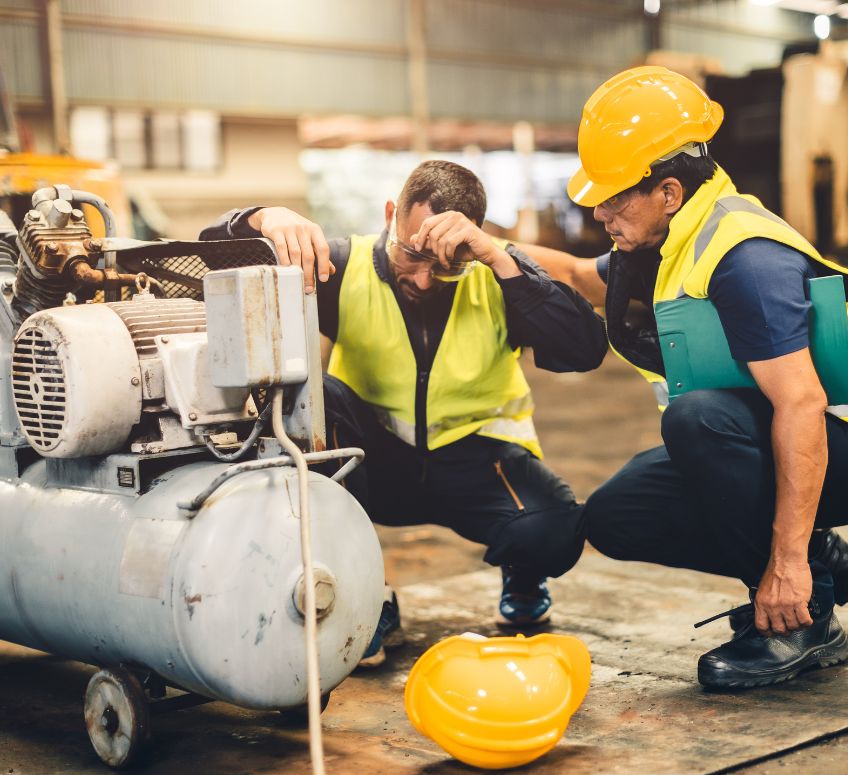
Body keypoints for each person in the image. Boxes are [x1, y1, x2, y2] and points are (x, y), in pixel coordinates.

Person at [561, 66, 848, 689]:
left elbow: (803, 403)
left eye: (615, 196)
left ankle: (800, 617)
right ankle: (826, 560)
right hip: (790, 438)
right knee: (617, 516)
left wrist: (784, 563)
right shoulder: (672, 238)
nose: (600, 211)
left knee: (698, 420)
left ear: (668, 192)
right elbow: (572, 274)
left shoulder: (743, 258)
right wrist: (480, 248)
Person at [200, 160, 608, 665]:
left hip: (479, 463)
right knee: (318, 391)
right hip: (376, 463)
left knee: (552, 534)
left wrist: (499, 262)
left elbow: (583, 351)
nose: (423, 276)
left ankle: (523, 575)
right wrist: (262, 219)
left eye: (444, 262)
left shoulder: (494, 273)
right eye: (412, 251)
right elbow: (206, 260)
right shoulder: (342, 266)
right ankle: (365, 596)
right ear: (391, 214)